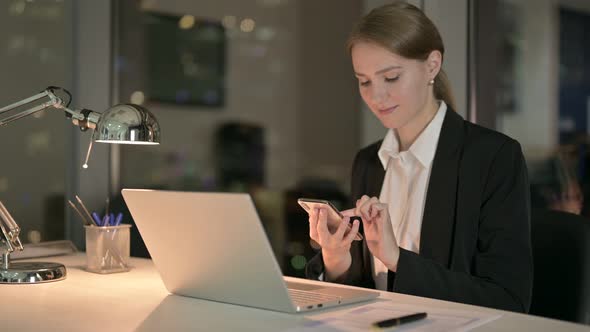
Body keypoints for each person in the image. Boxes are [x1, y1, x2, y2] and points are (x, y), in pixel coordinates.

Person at [305, 2, 533, 313]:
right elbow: (365, 293)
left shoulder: (492, 157)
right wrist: (335, 259)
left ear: (431, 65)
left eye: (391, 77)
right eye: (364, 81)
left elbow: (508, 299)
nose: (376, 95)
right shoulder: (369, 161)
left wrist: (396, 258)